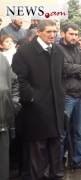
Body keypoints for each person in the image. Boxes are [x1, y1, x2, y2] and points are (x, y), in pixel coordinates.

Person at [12, 20, 65, 179]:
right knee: (38, 149)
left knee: (55, 145)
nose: (52, 35)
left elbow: (60, 77)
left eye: (54, 31)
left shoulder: (58, 51)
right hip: (35, 110)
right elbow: (19, 80)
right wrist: (33, 98)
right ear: (39, 32)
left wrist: (61, 95)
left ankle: (55, 174)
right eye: (48, 31)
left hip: (55, 108)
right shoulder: (24, 52)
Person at [57, 23, 81, 169]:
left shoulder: (79, 50)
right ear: (63, 34)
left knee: (79, 131)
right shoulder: (58, 50)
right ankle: (59, 161)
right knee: (62, 132)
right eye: (71, 34)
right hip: (67, 96)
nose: (74, 37)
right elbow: (64, 68)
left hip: (80, 96)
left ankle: (78, 159)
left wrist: (78, 69)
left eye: (76, 34)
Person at [0, 53, 20, 180]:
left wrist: (14, 103)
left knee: (3, 166)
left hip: (3, 122)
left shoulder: (2, 59)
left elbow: (14, 82)